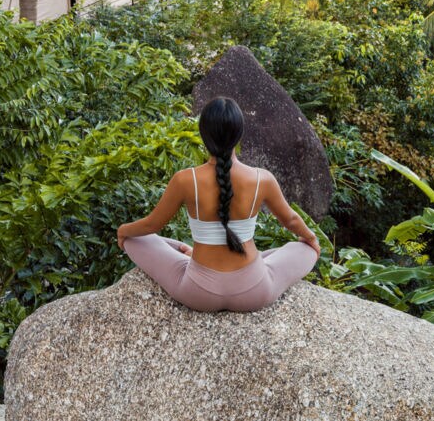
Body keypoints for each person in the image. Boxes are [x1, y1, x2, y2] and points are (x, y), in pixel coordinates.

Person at [116, 96, 321, 312]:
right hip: (254, 291)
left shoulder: (186, 180)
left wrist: (123, 231)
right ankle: (210, 255)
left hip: (198, 293)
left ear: (203, 134)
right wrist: (311, 238)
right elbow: (290, 219)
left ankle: (189, 253)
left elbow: (151, 225)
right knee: (303, 248)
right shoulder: (262, 178)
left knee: (136, 239)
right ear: (239, 134)